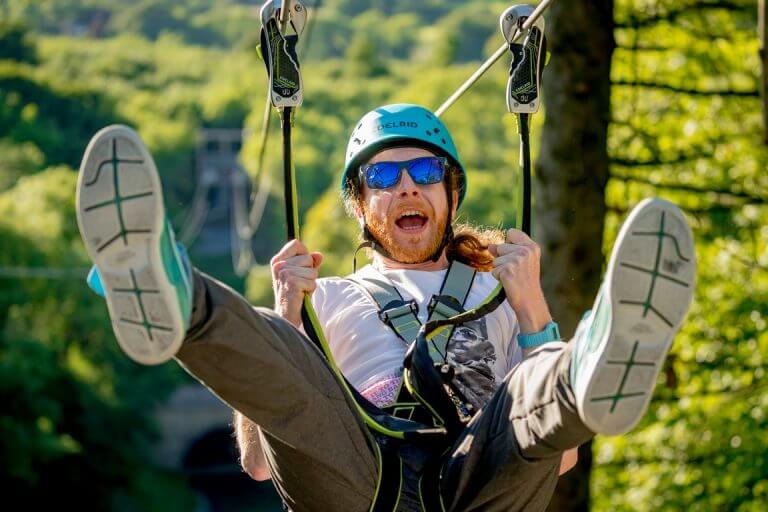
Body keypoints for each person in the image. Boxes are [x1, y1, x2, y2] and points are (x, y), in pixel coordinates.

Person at [76, 104, 696, 511]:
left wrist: (532, 308)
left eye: (425, 171)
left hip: (477, 479)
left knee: (534, 387)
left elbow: (558, 457)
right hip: (359, 479)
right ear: (361, 207)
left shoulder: (499, 292)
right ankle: (181, 301)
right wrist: (290, 316)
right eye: (382, 178)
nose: (406, 186)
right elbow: (262, 465)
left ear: (449, 195)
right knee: (286, 355)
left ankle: (592, 359)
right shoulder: (335, 299)